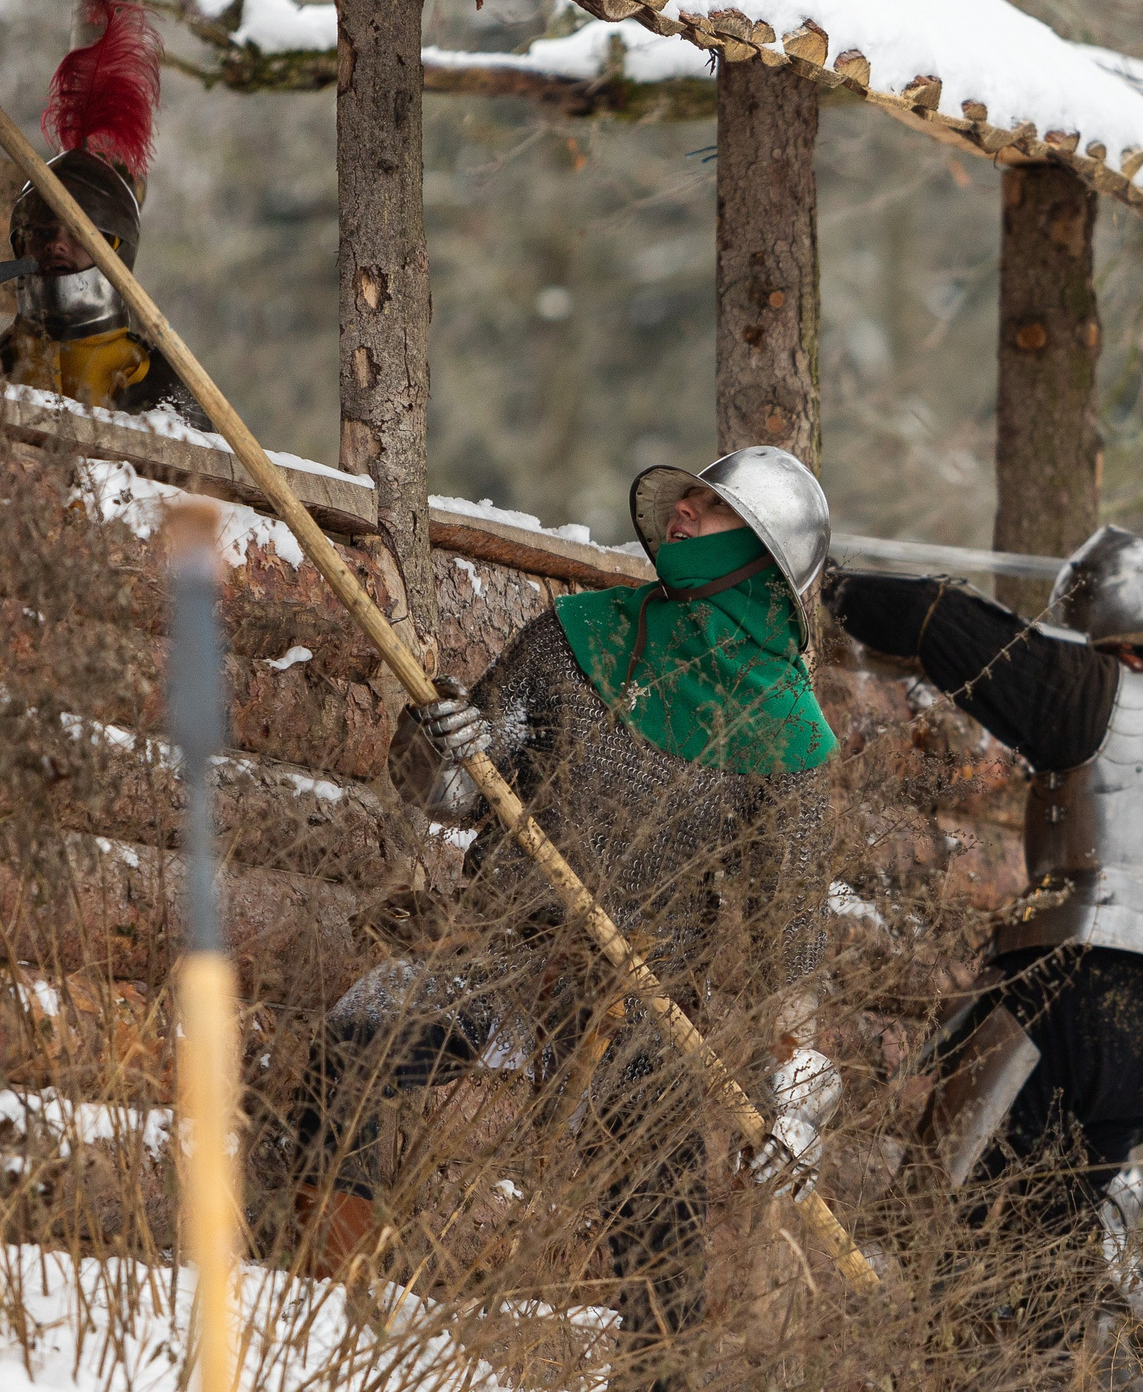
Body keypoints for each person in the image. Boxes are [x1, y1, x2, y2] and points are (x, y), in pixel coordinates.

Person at [292, 446, 840, 1387]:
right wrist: (445, 744)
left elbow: (790, 937)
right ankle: (325, 1304)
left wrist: (799, 1086)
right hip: (508, 950)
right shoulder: (584, 633)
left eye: (709, 507)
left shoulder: (791, 732)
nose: (683, 512)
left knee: (662, 1231)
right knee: (360, 1035)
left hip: (642, 998)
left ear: (757, 554)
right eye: (690, 498)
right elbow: (457, 795)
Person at [823, 528, 1143, 1349]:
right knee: (1057, 1229)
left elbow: (936, 619)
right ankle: (1038, 1359)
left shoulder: (1084, 683)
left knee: (949, 1204)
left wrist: (825, 583)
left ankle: (954, 1356)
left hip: (1071, 958)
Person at [0, 0, 202, 420]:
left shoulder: (159, 385)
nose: (56, 246)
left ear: (116, 247)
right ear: (19, 243)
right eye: (42, 232)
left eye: (80, 234)